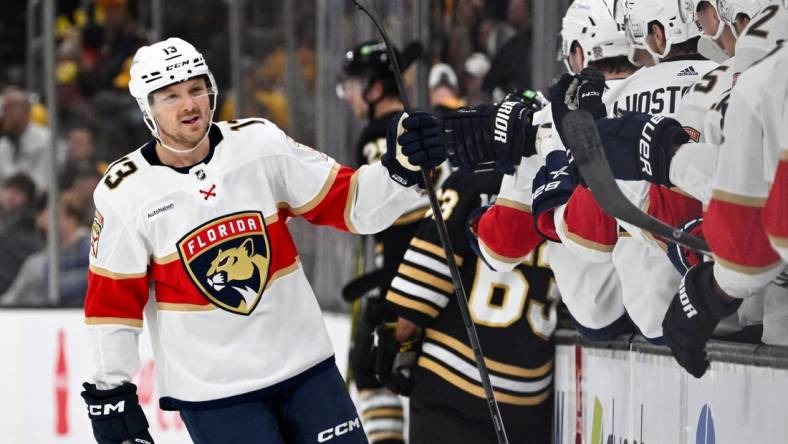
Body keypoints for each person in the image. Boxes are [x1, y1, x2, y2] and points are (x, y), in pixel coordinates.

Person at [80, 37, 446, 444]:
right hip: (216, 397)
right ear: (147, 107)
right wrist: (110, 391)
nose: (189, 105)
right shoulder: (124, 192)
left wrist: (401, 169)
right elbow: (111, 306)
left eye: (196, 89)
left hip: (308, 370)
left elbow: (349, 202)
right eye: (171, 95)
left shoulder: (258, 145)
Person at [383, 168, 557, 443]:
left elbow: (414, 303)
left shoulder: (471, 182)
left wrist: (389, 349)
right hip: (528, 401)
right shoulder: (565, 189)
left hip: (449, 389)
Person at [337, 40, 424, 444]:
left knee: (369, 367)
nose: (349, 94)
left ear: (375, 87)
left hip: (409, 283)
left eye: (355, 84)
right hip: (444, 280)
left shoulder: (378, 134)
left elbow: (398, 213)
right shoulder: (421, 123)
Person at [0, 191, 89, 307]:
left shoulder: (91, 250)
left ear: (72, 218)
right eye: (45, 213)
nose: (44, 217)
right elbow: (12, 298)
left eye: (55, 214)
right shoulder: (36, 262)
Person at [0, 87, 54, 190]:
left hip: (37, 198)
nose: (6, 113)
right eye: (5, 108)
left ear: (27, 110)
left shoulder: (44, 139)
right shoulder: (3, 144)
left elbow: (43, 179)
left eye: (11, 107)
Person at [0, 173, 42, 294]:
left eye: (19, 192)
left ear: (29, 200)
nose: (11, 195)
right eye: (9, 189)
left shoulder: (32, 230)